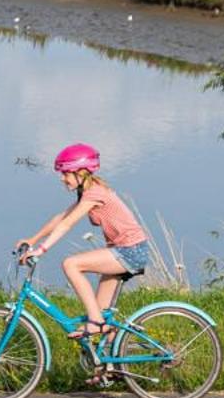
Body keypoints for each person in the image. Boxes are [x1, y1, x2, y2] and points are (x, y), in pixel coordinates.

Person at [16, 143, 153, 341]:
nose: (63, 179)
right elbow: (61, 218)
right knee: (102, 320)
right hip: (122, 250)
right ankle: (109, 367)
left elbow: (67, 225)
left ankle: (95, 322)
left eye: (65, 174)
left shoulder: (95, 193)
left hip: (130, 251)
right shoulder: (88, 192)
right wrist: (33, 239)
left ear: (81, 173)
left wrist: (41, 250)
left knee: (71, 264)